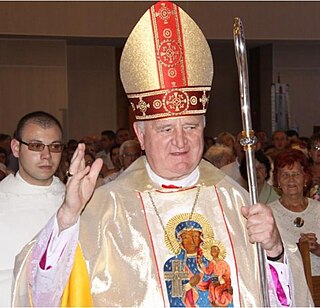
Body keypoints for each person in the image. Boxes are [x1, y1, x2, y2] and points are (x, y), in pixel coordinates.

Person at [13, 2, 312, 307]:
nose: (181, 141)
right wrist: (67, 216)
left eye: (191, 127)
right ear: (140, 135)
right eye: (166, 129)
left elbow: (284, 296)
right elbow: (41, 293)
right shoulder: (106, 208)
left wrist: (274, 249)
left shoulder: (236, 200)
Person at [0, 111, 65, 307]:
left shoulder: (75, 201)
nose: (46, 156)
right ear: (16, 148)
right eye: (36, 146)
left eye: (54, 147)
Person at [268, 149, 320, 276]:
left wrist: (317, 248)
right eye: (285, 175)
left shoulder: (318, 209)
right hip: (286, 285)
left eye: (296, 174)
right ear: (278, 181)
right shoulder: (269, 214)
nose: (291, 180)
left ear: (306, 178)